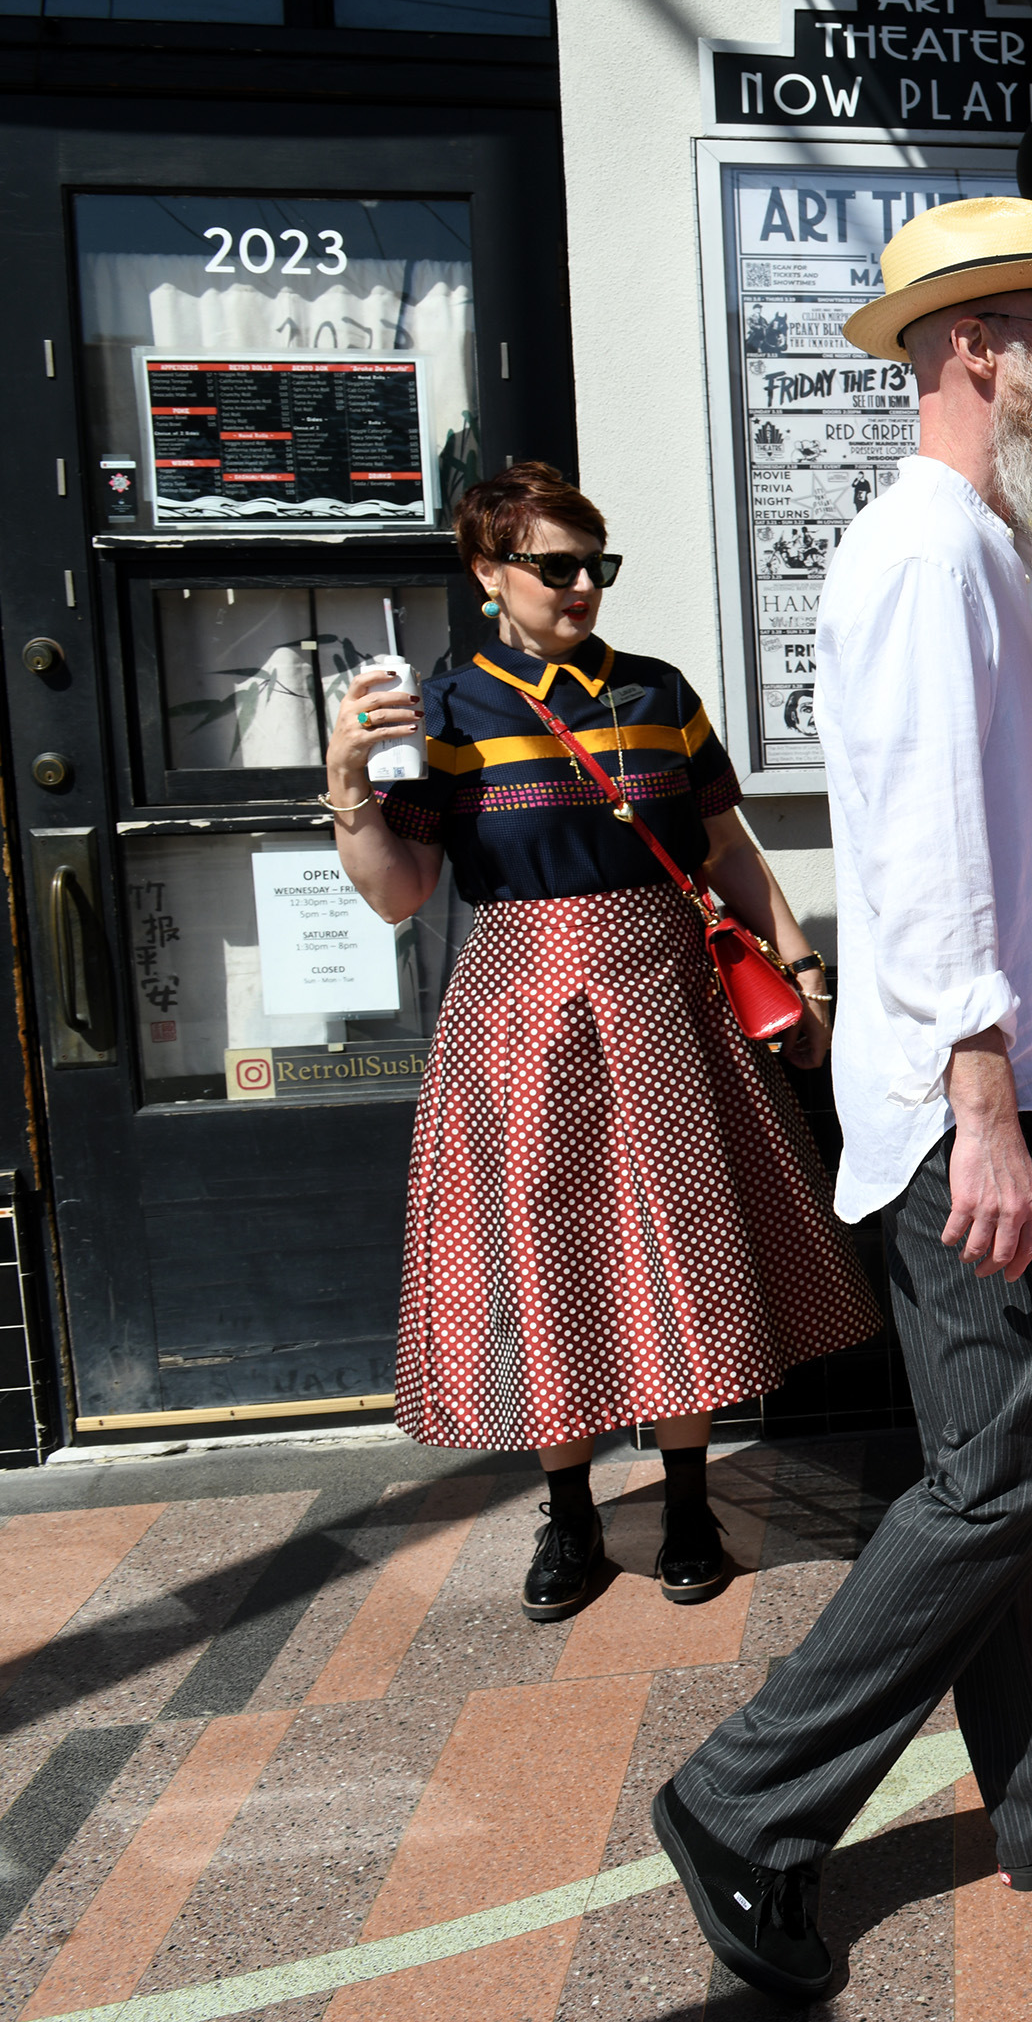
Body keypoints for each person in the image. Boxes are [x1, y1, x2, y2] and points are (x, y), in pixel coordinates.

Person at [654, 200, 1032, 2003]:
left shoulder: (965, 550)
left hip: (1007, 1087)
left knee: (997, 1472)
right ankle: (748, 1805)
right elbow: (914, 852)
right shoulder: (925, 557)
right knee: (995, 1484)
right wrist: (984, 1096)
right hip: (983, 1099)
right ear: (979, 348)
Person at [331, 463, 871, 1623]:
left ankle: (686, 1501)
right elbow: (399, 893)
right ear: (489, 574)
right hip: (521, 1012)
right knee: (546, 1252)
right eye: (554, 566)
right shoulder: (449, 709)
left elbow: (725, 849)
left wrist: (804, 970)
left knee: (683, 1242)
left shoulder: (658, 691)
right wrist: (344, 786)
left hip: (665, 997)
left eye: (596, 566)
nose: (581, 588)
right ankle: (569, 1511)